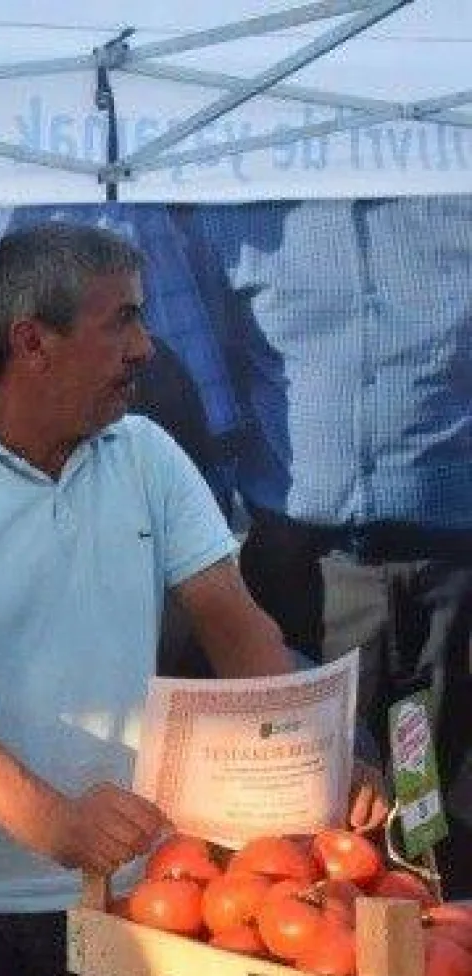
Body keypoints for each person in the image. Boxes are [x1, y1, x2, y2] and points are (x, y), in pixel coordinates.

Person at [0, 222, 387, 976]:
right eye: (122, 322)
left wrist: (319, 757)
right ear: (34, 341)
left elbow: (238, 626)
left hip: (111, 893)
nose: (145, 345)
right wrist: (54, 821)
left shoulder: (144, 454)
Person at [178, 198, 472, 895]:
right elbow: (210, 387)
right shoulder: (233, 213)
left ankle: (449, 960)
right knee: (318, 810)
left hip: (453, 571)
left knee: (440, 797)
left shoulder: (455, 191)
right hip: (300, 571)